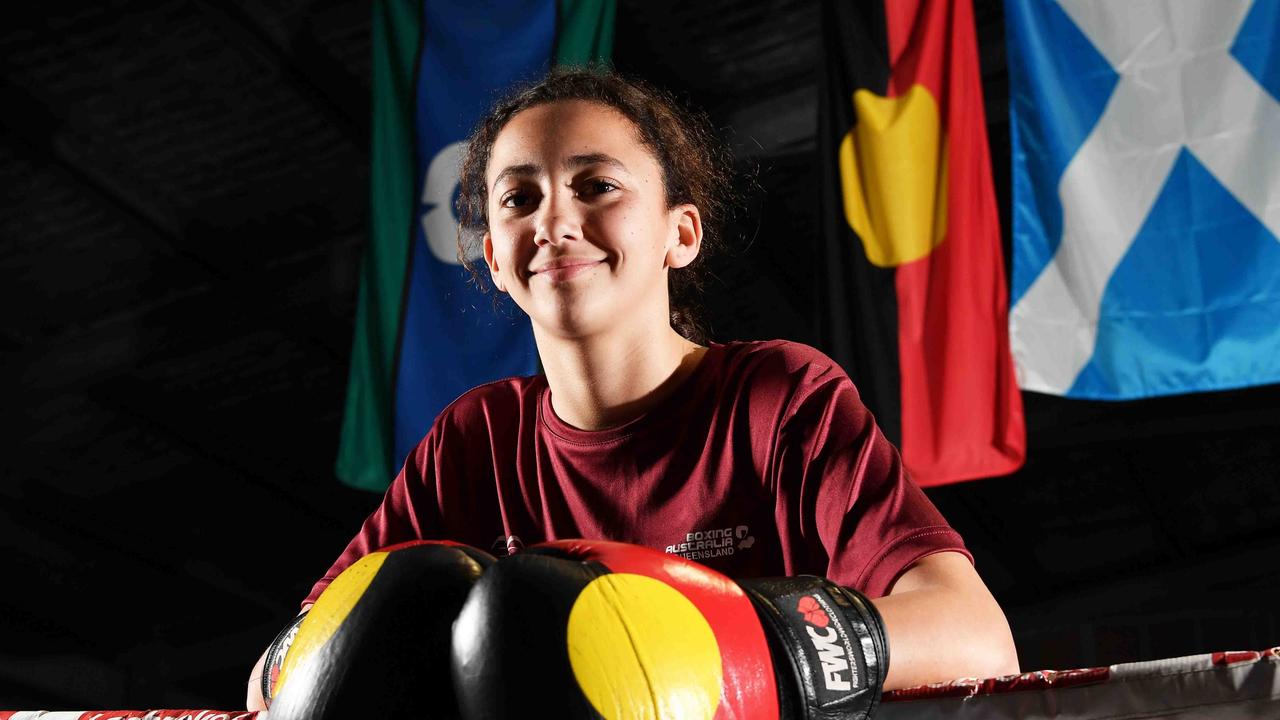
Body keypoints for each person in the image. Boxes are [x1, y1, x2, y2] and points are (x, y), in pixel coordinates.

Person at [246, 67, 1018, 710]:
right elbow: (275, 676)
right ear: (492, 255)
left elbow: (976, 636)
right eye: (519, 198)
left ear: (680, 234)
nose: (555, 221)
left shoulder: (776, 398)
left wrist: (721, 652)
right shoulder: (476, 440)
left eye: (597, 185)